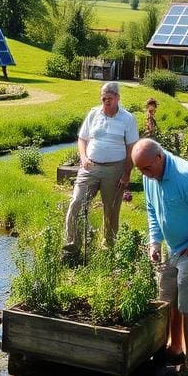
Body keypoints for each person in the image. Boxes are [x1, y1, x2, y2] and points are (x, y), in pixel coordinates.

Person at [132, 138, 188, 375]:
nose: (144, 174)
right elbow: (152, 209)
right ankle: (174, 349)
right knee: (168, 298)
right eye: (139, 169)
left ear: (159, 158)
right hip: (174, 247)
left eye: (146, 168)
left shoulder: (186, 176)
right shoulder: (149, 174)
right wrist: (155, 241)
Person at [62, 82, 139, 258]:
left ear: (118, 98)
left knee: (111, 209)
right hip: (90, 167)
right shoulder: (93, 114)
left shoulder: (128, 119)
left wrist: (127, 174)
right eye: (103, 98)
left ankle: (108, 248)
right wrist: (83, 158)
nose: (106, 102)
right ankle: (72, 245)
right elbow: (82, 139)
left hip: (115, 169)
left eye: (109, 98)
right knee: (77, 201)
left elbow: (131, 150)